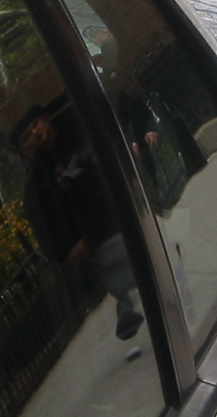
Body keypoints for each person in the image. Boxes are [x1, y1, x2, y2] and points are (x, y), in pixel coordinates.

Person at [14, 104, 145, 341]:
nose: (34, 134)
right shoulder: (39, 183)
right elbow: (44, 221)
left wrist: (132, 149)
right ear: (24, 148)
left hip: (120, 213)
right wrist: (65, 252)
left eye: (34, 125)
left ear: (45, 118)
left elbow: (113, 148)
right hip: (96, 235)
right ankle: (129, 305)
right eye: (26, 137)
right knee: (122, 266)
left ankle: (131, 305)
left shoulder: (80, 130)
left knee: (134, 265)